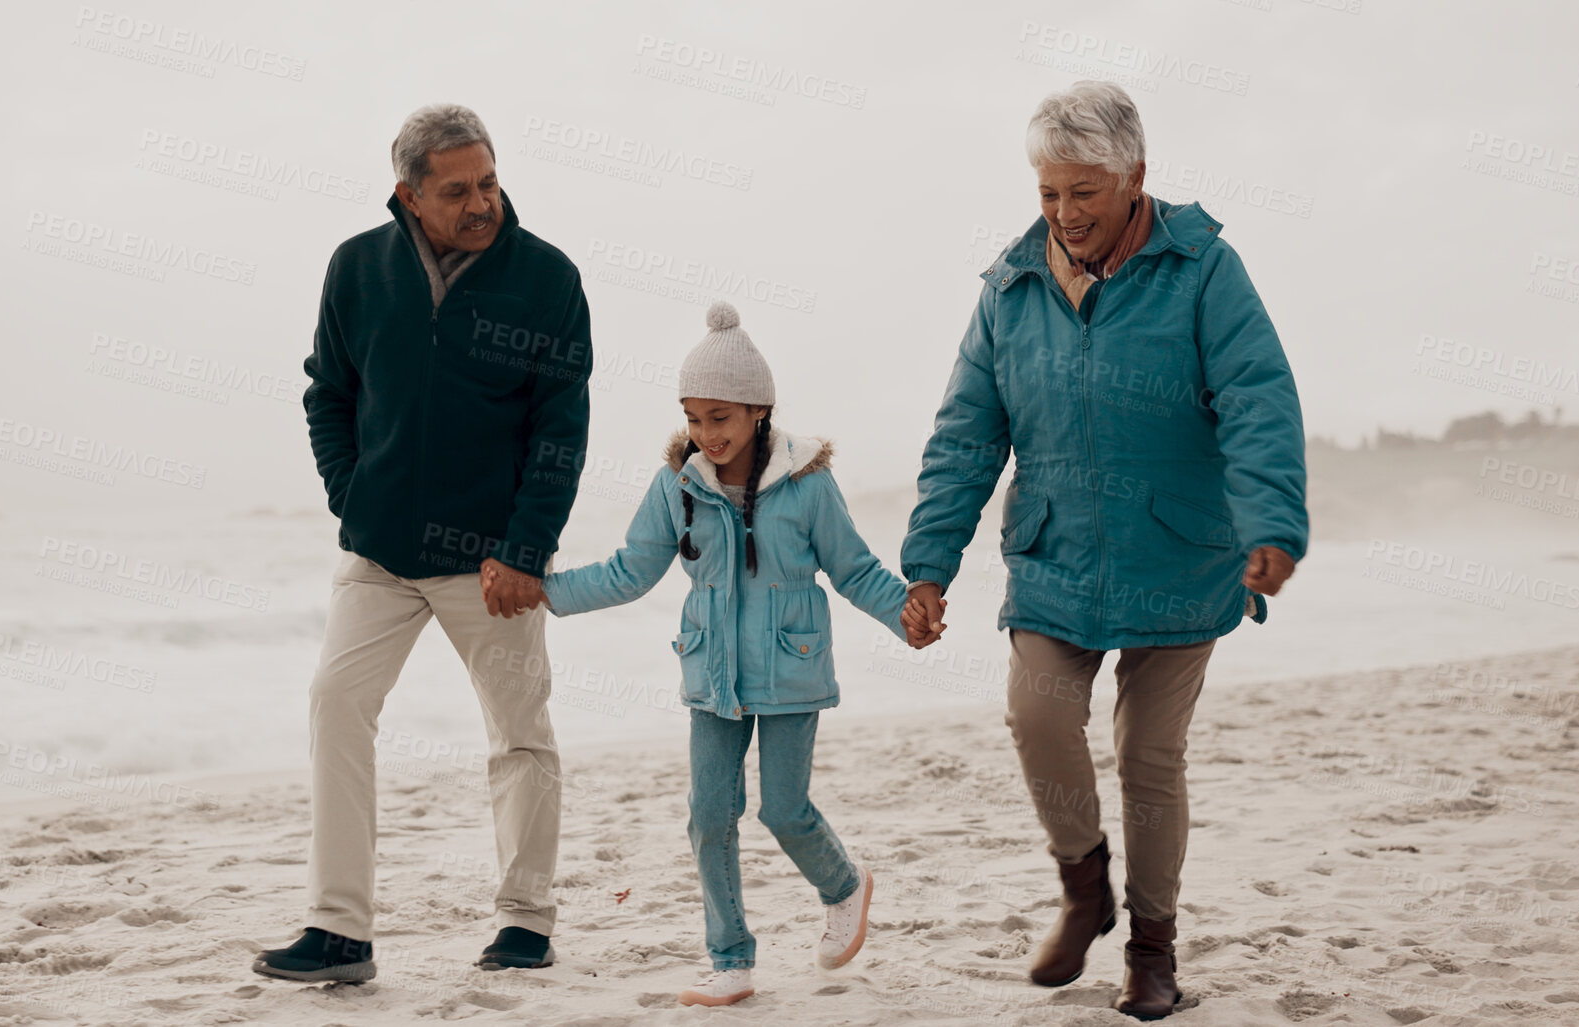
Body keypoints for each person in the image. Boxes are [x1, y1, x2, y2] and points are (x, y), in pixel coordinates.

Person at [900, 81, 1306, 1020]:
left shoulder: (1203, 270)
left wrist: (1271, 522)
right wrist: (929, 564)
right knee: (1035, 717)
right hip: (1054, 559)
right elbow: (966, 435)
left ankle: (1151, 947)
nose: (1064, 213)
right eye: (1048, 192)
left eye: (1083, 191)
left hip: (1181, 555)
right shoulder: (1008, 289)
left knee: (1147, 755)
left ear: (1134, 177)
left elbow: (1257, 401)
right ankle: (1085, 889)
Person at [254, 103, 593, 983]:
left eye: (488, 180)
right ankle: (340, 930)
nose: (481, 201)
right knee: (336, 702)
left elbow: (561, 426)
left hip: (493, 558)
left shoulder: (546, 277)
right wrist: (352, 494)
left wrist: (527, 547)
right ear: (406, 194)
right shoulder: (357, 268)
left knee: (519, 731)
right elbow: (327, 393)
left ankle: (525, 920)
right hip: (380, 550)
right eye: (456, 190)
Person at [537, 302, 918, 1007]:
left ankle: (844, 884)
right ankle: (730, 958)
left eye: (720, 416)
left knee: (783, 808)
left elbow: (854, 568)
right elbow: (629, 570)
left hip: (791, 668)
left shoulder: (807, 485)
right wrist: (546, 592)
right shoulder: (676, 487)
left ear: (757, 412)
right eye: (693, 417)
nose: (705, 433)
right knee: (709, 814)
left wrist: (905, 613)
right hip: (710, 675)